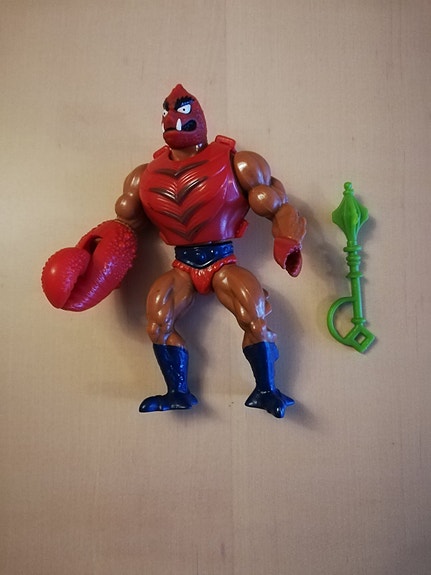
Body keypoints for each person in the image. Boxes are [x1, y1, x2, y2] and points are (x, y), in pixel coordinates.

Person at [42, 84, 306, 418]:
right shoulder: (144, 176)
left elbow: (276, 205)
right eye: (166, 110)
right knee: (157, 321)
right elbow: (124, 227)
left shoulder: (237, 163)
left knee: (254, 314)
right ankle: (177, 392)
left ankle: (267, 390)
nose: (172, 117)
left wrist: (287, 241)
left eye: (181, 109)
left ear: (198, 116)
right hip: (182, 264)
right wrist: (95, 264)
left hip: (223, 259)